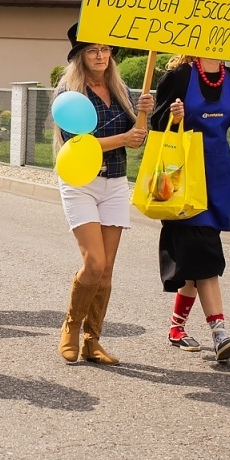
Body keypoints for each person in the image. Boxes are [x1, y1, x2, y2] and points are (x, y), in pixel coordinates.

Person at [150, 53, 230, 362]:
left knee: (197, 258)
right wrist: (174, 117)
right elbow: (157, 123)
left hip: (218, 178)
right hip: (182, 178)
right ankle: (219, 332)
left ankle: (176, 328)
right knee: (204, 251)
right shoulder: (178, 77)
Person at [54, 24, 154, 366]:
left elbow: (138, 135)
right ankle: (71, 326)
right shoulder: (69, 92)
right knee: (93, 263)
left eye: (105, 49)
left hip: (114, 182)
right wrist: (125, 139)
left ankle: (92, 341)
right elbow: (75, 143)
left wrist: (146, 115)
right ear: (80, 56)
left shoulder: (121, 89)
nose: (100, 55)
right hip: (81, 181)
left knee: (107, 270)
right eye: (93, 50)